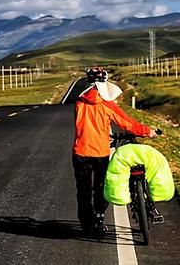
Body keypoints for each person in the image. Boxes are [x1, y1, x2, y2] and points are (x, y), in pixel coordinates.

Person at [72, 66, 157, 235]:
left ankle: (87, 224)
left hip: (80, 152)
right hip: (100, 153)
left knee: (83, 190)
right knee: (101, 187)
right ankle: (99, 218)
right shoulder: (107, 105)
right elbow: (128, 124)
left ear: (88, 82)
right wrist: (147, 131)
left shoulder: (79, 103)